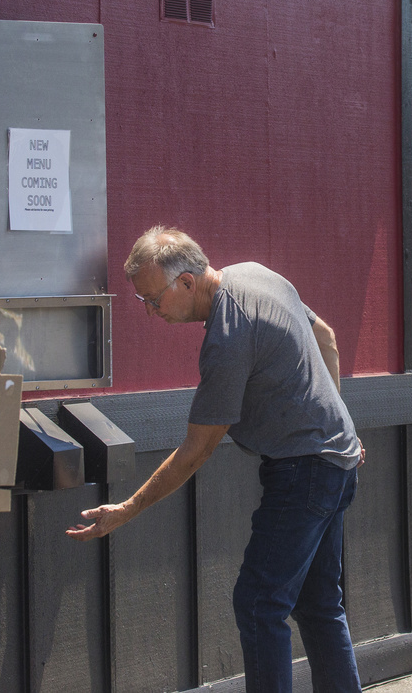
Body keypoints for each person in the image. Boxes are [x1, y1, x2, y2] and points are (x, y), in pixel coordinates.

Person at [67, 225, 364, 693]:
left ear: (186, 282)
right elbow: (325, 336)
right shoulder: (256, 273)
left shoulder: (227, 336)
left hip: (304, 470)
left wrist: (127, 509)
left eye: (152, 299)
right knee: (319, 604)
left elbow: (198, 450)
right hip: (336, 461)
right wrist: (341, 424)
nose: (150, 311)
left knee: (258, 603)